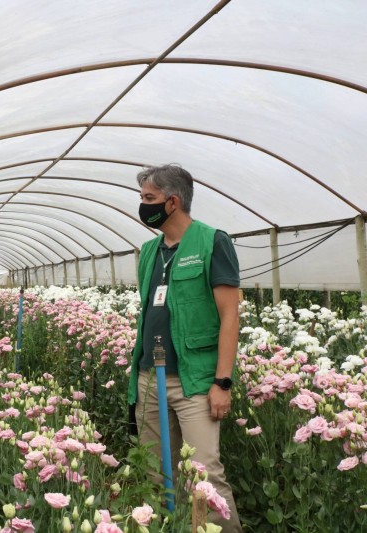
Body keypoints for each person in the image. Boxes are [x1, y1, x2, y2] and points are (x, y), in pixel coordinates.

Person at [127, 165, 243, 532]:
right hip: (149, 377)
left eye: (149, 199)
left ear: (172, 202)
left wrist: (221, 382)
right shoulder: (149, 251)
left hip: (194, 381)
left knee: (204, 476)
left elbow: (229, 316)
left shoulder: (212, 242)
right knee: (156, 473)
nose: (143, 207)